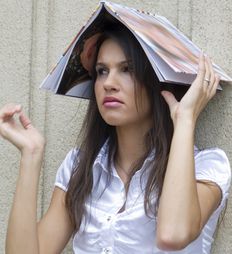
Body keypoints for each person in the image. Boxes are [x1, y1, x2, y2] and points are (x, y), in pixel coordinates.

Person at [0, 23, 231, 254]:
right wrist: (31, 155)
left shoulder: (207, 167)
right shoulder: (80, 169)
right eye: (102, 71)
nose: (109, 83)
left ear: (158, 81)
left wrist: (185, 119)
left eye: (127, 69)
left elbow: (173, 236)